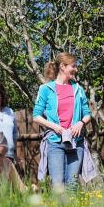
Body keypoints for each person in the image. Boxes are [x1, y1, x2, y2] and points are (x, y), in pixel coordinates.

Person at [33, 52, 92, 188]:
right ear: (63, 67)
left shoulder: (78, 89)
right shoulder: (46, 89)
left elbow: (87, 114)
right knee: (58, 185)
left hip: (76, 142)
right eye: (73, 66)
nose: (76, 69)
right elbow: (36, 116)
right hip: (55, 142)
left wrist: (81, 123)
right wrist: (54, 127)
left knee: (72, 185)